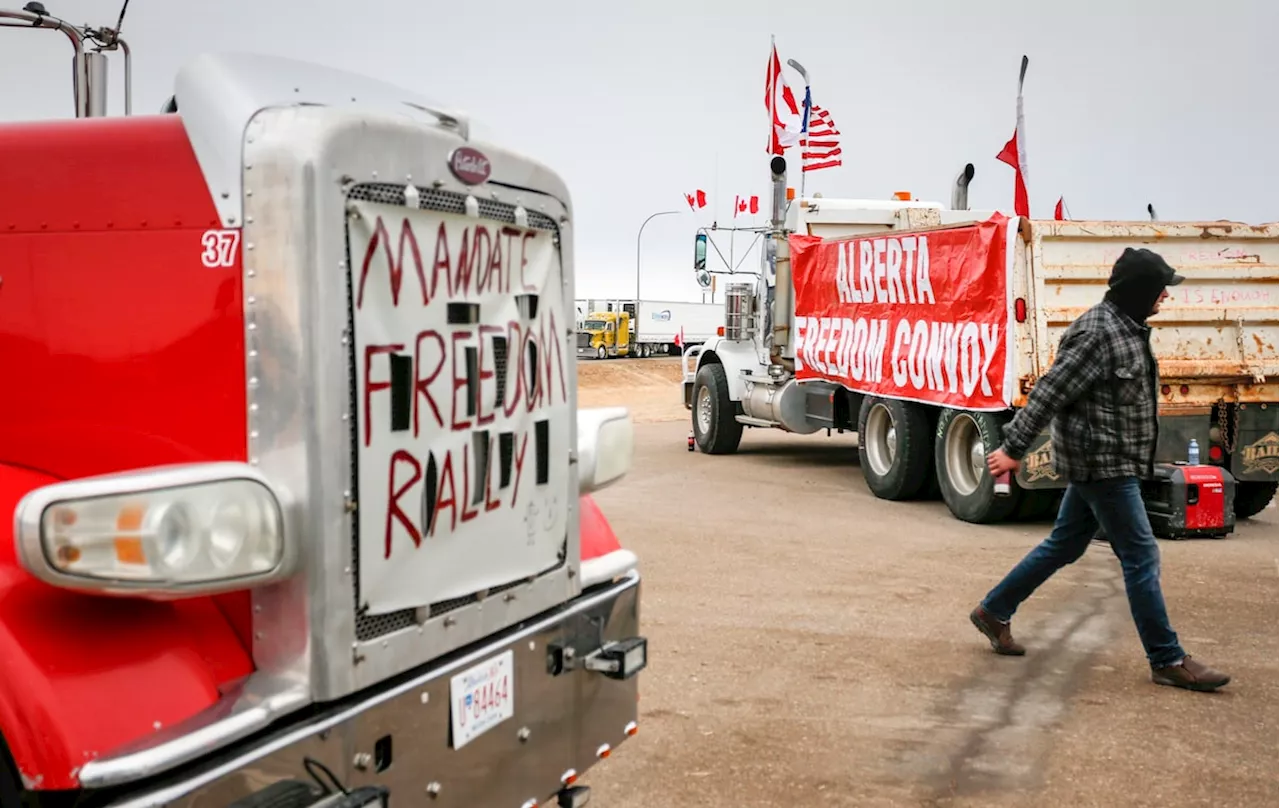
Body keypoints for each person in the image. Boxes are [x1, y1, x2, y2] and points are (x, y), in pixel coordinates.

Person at [970, 247, 1231, 693]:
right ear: (1140, 291)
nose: (1165, 297)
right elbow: (1051, 391)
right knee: (1141, 555)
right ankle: (1166, 658)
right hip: (1102, 465)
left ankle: (994, 611)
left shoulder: (1127, 329)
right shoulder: (1097, 334)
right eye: (1160, 289)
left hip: (1111, 460)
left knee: (1064, 544)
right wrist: (1014, 447)